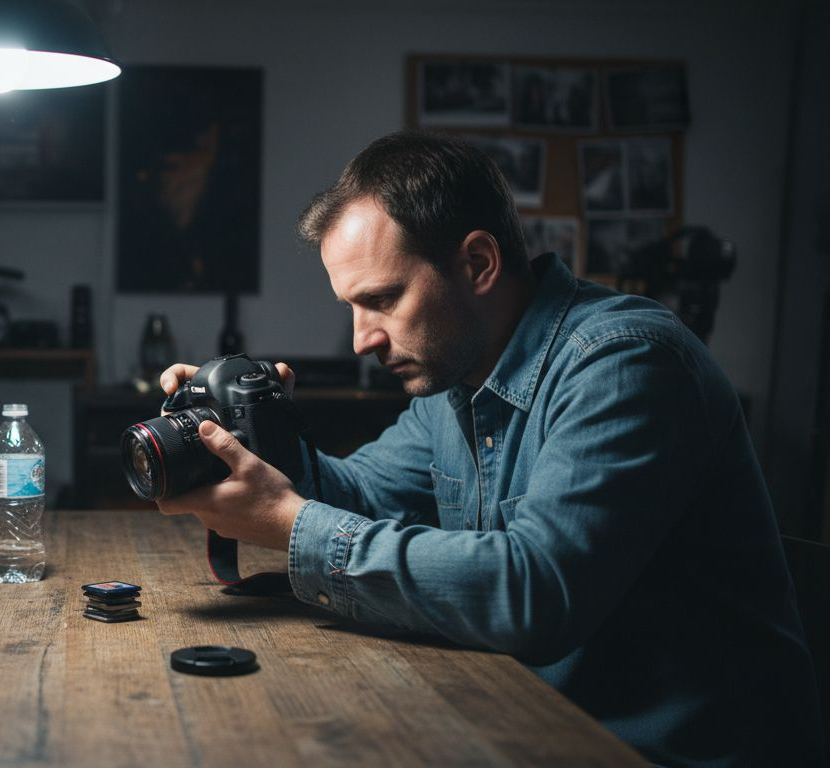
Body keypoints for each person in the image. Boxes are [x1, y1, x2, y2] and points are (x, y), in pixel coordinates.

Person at [155, 130, 823, 766]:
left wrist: (290, 521)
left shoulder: (627, 365)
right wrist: (253, 434)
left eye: (382, 300)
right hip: (532, 725)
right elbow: (356, 496)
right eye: (353, 308)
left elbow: (536, 589)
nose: (362, 340)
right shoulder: (458, 385)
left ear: (477, 263)